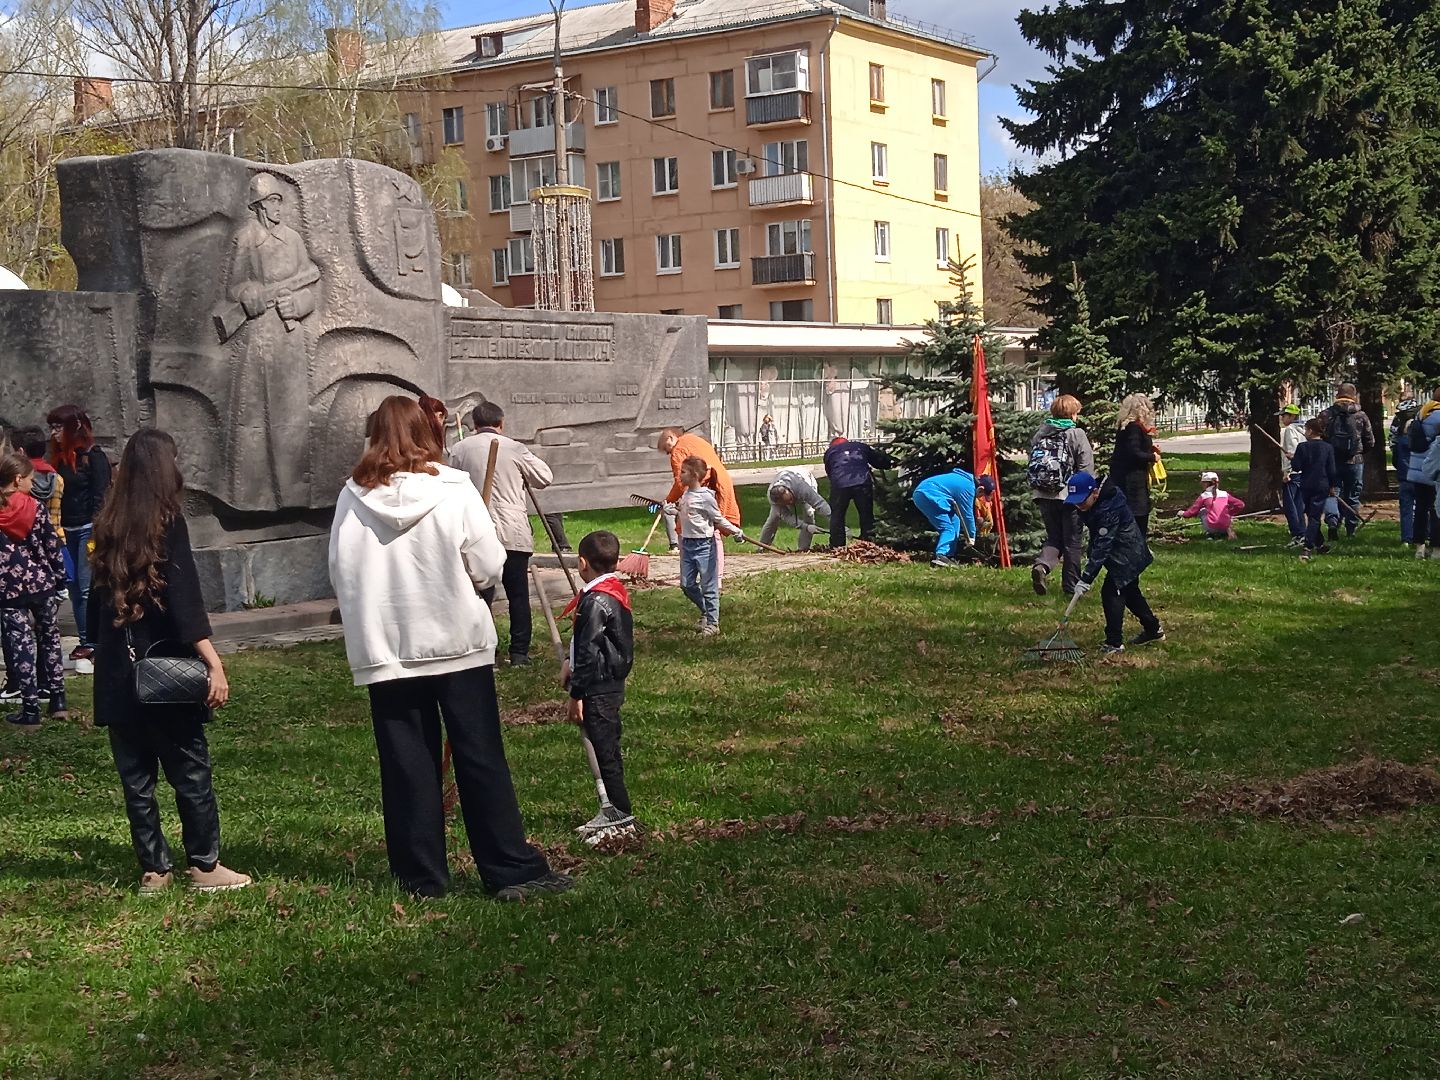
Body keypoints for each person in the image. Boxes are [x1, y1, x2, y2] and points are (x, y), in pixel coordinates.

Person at [329, 396, 569, 901]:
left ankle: (421, 879)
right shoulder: (454, 490)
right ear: (427, 432)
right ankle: (508, 868)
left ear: (374, 435)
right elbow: (488, 561)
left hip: (388, 648)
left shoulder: (352, 496)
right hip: (456, 642)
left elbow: (341, 570)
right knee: (480, 756)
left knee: (406, 765)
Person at [88, 429, 250, 894]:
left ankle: (154, 870)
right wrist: (214, 664)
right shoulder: (167, 521)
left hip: (118, 673)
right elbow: (185, 605)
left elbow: (94, 606)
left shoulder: (106, 525)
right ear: (165, 467)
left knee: (137, 779)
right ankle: (204, 864)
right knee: (189, 771)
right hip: (166, 672)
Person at [449, 402, 555, 667]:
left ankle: (487, 652)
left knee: (481, 595)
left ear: (474, 424)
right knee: (517, 594)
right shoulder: (514, 447)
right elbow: (544, 477)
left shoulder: (460, 450)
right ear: (501, 423)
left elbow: (450, 485)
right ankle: (519, 653)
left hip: (476, 532)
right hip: (511, 532)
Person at [559, 530, 636, 844]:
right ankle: (612, 813)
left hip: (599, 686)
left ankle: (620, 816)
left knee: (606, 751)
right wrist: (569, 660)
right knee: (604, 746)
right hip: (605, 681)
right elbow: (585, 643)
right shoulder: (609, 591)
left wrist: (577, 693)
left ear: (581, 562)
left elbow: (590, 650)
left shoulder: (596, 601)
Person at [0, 454, 68, 728]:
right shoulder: (35, 507)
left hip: (8, 589)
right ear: (18, 479)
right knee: (50, 638)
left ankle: (30, 710)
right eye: (30, 478)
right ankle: (58, 699)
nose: (32, 483)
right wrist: (61, 578)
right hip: (42, 583)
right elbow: (52, 546)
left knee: (20, 645)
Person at [1066, 470, 1164, 654]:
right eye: (1075, 501)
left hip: (1127, 555)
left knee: (1112, 593)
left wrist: (1086, 578)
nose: (1078, 505)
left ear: (1095, 493)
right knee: (1130, 592)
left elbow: (1103, 545)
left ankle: (1114, 642)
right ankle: (1153, 629)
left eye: (1081, 500)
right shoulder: (1094, 503)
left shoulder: (1108, 509)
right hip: (1121, 554)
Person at [46, 404, 110, 663]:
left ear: (73, 427)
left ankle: (89, 642)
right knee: (72, 586)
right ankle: (88, 640)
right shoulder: (59, 458)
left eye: (58, 427)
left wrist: (96, 530)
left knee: (85, 587)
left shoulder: (93, 456)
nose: (53, 433)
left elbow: (101, 495)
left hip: (86, 528)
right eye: (51, 427)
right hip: (65, 529)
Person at [1027, 394, 1094, 595]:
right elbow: (1085, 468)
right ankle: (1071, 587)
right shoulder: (1076, 434)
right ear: (1072, 413)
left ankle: (1042, 566)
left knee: (1054, 536)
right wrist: (1087, 495)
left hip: (1042, 493)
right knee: (1072, 541)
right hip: (1069, 495)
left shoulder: (1040, 433)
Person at [676, 455, 746, 635]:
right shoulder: (685, 494)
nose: (679, 475)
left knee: (709, 586)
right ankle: (706, 610)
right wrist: (672, 509)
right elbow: (686, 511)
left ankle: (713, 624)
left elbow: (718, 519)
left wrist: (735, 531)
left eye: (683, 472)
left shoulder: (706, 497)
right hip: (687, 544)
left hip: (704, 546)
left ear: (694, 475)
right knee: (686, 584)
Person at [658, 426, 741, 571]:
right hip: (721, 483)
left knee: (706, 532)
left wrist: (670, 500)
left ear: (670, 438)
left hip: (708, 488)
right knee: (714, 529)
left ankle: (697, 575)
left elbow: (680, 482)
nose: (668, 453)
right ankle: (714, 576)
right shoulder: (694, 439)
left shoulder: (678, 450)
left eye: (667, 449)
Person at [1320, 382, 1375, 539]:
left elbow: (1319, 438)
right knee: (1352, 496)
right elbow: (1370, 441)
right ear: (1354, 396)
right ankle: (1351, 530)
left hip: (1332, 461)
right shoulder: (1361, 415)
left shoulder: (1326, 414)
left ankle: (1332, 525)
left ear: (1337, 395)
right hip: (1355, 461)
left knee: (1332, 493)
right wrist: (1359, 451)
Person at [911, 468, 993, 568]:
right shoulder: (968, 487)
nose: (979, 497)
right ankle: (941, 555)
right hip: (927, 495)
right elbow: (967, 515)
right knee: (947, 528)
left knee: (955, 521)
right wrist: (971, 537)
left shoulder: (966, 482)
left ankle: (949, 555)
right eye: (981, 495)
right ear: (980, 489)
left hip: (930, 493)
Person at [824, 436, 890, 548]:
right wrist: (888, 463)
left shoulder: (830, 452)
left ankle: (837, 545)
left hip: (840, 483)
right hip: (862, 482)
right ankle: (868, 541)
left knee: (837, 515)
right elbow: (878, 461)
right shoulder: (860, 447)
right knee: (866, 513)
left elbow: (830, 471)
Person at [1108, 393, 1159, 536]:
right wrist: (1152, 456)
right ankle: (1137, 546)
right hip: (1132, 479)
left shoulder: (1124, 427)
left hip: (1122, 475)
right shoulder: (1134, 428)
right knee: (1138, 513)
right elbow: (1134, 452)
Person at [1289, 417, 1339, 561]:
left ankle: (1308, 547)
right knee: (1313, 515)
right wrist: (1332, 485)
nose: (1305, 432)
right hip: (1322, 485)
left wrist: (1293, 458)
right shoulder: (1327, 447)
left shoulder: (1302, 447)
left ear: (1310, 431)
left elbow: (1296, 467)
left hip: (1306, 485)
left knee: (1312, 516)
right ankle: (1319, 544)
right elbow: (1332, 469)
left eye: (1305, 429)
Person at [1404, 385, 1440, 559]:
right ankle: (1436, 548)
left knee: (1420, 508)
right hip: (1434, 470)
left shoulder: (1422, 413)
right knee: (1436, 510)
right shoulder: (1439, 416)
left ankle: (1419, 546)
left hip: (1417, 470)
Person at [759, 468, 832, 551]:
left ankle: (803, 549)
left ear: (789, 490)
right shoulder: (772, 497)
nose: (791, 503)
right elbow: (786, 516)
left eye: (791, 499)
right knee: (773, 518)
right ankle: (762, 546)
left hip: (805, 478)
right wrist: (806, 527)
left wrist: (835, 522)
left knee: (809, 514)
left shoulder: (802, 488)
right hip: (786, 478)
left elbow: (820, 504)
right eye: (787, 503)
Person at [1178, 471, 1246, 540]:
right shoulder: (1225, 494)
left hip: (1212, 527)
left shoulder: (1204, 496)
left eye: (1203, 482)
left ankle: (1211, 533)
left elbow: (1193, 511)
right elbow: (1240, 504)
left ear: (1206, 483)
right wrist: (1228, 514)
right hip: (1225, 527)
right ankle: (1225, 533)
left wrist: (1183, 514)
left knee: (1203, 511)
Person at [1277, 404, 1307, 545]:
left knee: (1290, 506)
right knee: (1299, 505)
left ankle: (1298, 534)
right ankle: (1303, 532)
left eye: (1284, 415)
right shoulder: (1304, 430)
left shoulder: (1290, 430)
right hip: (1304, 472)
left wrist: (1287, 472)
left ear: (1292, 416)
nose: (1282, 418)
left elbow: (1291, 452)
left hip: (1293, 473)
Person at [1390, 399, 1418, 547]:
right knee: (1423, 508)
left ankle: (1406, 538)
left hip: (1404, 477)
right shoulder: (1422, 442)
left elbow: (1395, 460)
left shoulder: (1399, 442)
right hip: (1421, 478)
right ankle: (1424, 536)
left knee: (1406, 510)